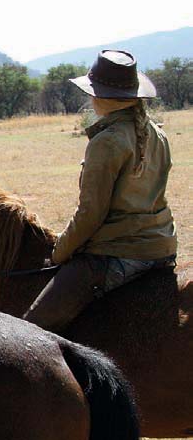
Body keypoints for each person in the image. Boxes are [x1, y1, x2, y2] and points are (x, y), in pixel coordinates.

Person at [24, 50, 177, 331]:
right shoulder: (158, 133)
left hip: (118, 252)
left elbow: (90, 214)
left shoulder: (106, 141)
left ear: (101, 96)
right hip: (162, 246)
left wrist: (59, 252)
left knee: (33, 328)